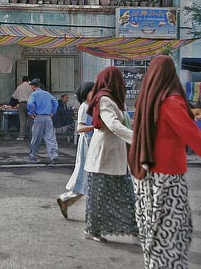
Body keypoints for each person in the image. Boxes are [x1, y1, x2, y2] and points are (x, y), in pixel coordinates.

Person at [129, 55, 201, 268]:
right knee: (171, 235)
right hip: (167, 177)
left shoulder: (147, 99)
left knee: (153, 230)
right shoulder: (171, 101)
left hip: (147, 174)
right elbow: (193, 137)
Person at [84, 66, 137, 242]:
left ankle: (136, 229)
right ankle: (93, 231)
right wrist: (138, 139)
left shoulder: (112, 100)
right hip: (104, 155)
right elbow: (113, 125)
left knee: (123, 194)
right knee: (99, 198)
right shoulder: (105, 99)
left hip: (113, 154)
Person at [56, 82, 94, 219]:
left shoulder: (93, 106)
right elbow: (80, 128)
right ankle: (66, 199)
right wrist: (96, 127)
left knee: (86, 179)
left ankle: (65, 200)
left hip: (92, 143)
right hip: (87, 144)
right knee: (87, 178)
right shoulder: (85, 107)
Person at [27, 78, 59, 164]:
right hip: (48, 117)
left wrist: (31, 112)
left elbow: (30, 104)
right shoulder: (47, 94)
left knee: (36, 138)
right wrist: (53, 112)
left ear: (33, 86)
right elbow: (55, 102)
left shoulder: (33, 94)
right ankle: (54, 156)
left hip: (38, 117)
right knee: (50, 137)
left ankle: (33, 156)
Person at [11, 76, 32, 141]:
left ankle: (21, 136)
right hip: (30, 104)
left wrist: (11, 105)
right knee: (31, 121)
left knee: (22, 121)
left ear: (22, 81)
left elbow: (14, 97)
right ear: (28, 80)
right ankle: (32, 136)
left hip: (22, 104)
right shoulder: (31, 86)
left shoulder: (19, 87)